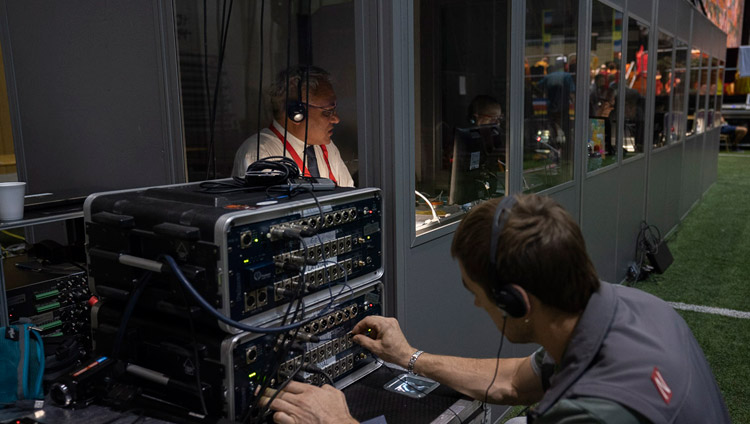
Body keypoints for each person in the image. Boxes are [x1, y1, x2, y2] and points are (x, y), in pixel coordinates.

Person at [262, 194, 731, 423]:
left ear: (514, 301)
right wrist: (408, 356)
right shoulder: (632, 307)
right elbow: (512, 382)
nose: (473, 301)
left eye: (475, 291)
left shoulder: (596, 414)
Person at [232, 66, 355, 187]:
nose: (336, 119)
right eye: (327, 112)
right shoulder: (259, 154)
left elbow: (350, 196)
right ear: (296, 113)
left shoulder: (327, 147)